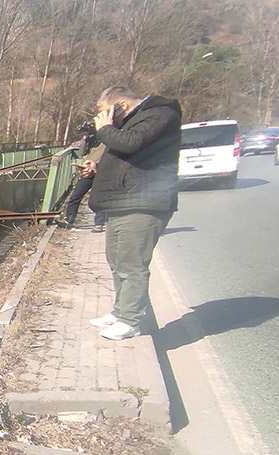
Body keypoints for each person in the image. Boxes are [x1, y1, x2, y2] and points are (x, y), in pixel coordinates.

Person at [80, 85, 181, 340]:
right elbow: (128, 157)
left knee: (132, 264)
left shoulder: (159, 113)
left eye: (106, 112)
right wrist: (98, 166)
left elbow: (132, 144)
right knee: (117, 261)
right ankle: (120, 312)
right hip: (123, 201)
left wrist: (105, 130)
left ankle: (130, 321)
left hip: (142, 202)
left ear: (121, 105)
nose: (104, 118)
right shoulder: (133, 121)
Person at [60, 123, 107, 230]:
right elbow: (82, 152)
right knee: (76, 196)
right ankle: (69, 219)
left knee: (99, 197)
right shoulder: (92, 139)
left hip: (101, 169)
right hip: (87, 170)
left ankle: (99, 223)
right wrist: (85, 138)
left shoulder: (107, 138)